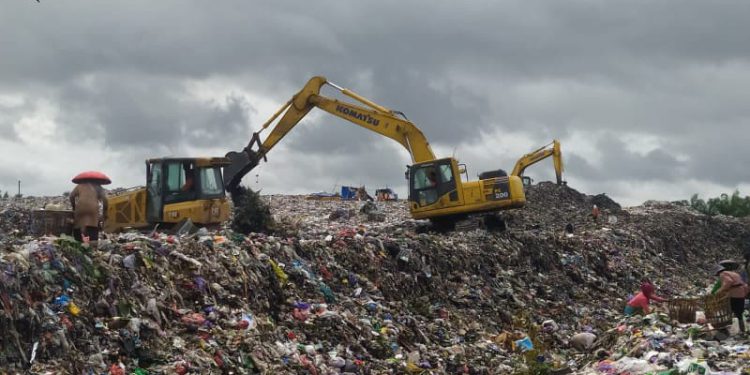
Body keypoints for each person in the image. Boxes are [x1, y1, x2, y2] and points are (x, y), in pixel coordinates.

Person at [712, 264, 749, 334]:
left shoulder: (723, 274)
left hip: (734, 295)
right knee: (739, 314)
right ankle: (743, 331)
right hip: (740, 294)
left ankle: (724, 329)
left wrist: (719, 291)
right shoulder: (733, 273)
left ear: (717, 272)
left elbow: (728, 282)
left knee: (726, 311)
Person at [70, 181, 108, 246]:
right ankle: (92, 245)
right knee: (92, 225)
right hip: (93, 208)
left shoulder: (80, 185)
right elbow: (105, 200)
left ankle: (78, 242)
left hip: (80, 207)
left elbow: (71, 196)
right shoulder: (98, 187)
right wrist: (105, 213)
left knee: (78, 225)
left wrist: (74, 207)